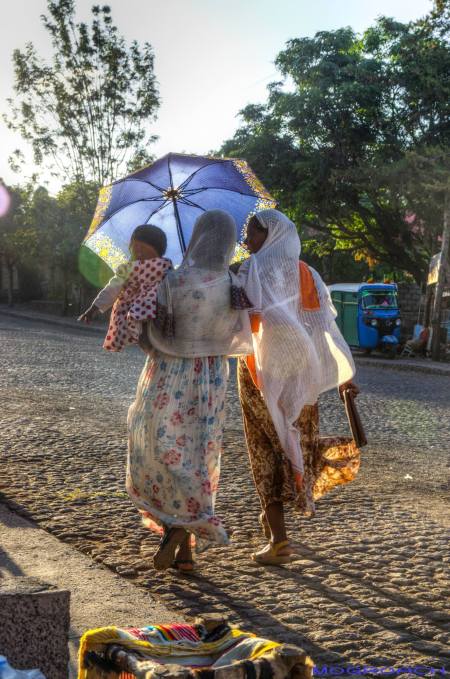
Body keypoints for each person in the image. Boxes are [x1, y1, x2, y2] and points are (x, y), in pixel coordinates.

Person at [126, 210, 253, 572]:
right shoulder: (233, 285)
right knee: (199, 453)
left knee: (162, 450)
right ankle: (185, 548)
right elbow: (239, 334)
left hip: (168, 374)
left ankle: (178, 532)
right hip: (212, 378)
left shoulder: (174, 281)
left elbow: (149, 337)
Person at [236, 209, 361, 565]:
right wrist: (344, 375)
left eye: (252, 234)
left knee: (264, 448)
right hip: (301, 374)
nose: (247, 242)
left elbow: (242, 320)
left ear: (270, 236)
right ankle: (275, 523)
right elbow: (324, 328)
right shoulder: (308, 273)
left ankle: (278, 539)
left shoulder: (252, 270)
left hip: (261, 372)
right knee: (292, 440)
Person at [78, 225, 172, 352]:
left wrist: (93, 309)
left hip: (144, 312)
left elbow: (111, 290)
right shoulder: (163, 266)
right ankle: (148, 340)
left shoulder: (133, 268)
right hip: (147, 312)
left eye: (133, 246)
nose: (133, 250)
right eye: (133, 246)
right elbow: (111, 289)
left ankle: (148, 339)